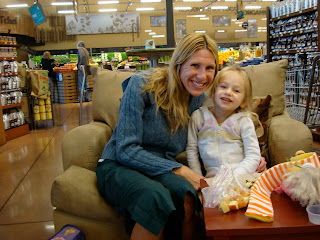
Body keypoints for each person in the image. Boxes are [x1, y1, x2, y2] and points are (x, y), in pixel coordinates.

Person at [96, 33, 266, 240]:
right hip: (119, 164)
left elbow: (218, 133)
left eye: (209, 68)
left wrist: (251, 159)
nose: (202, 76)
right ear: (178, 63)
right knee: (154, 197)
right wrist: (179, 168)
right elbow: (125, 149)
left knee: (187, 196)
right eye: (195, 65)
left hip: (160, 167)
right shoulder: (142, 85)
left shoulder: (199, 100)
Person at [186, 65, 262, 177]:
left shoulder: (243, 120)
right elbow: (192, 150)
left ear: (243, 101)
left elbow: (253, 155)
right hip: (213, 180)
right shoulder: (198, 117)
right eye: (223, 87)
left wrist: (235, 177)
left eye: (236, 90)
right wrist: (198, 177)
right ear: (213, 92)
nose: (228, 92)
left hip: (243, 177)